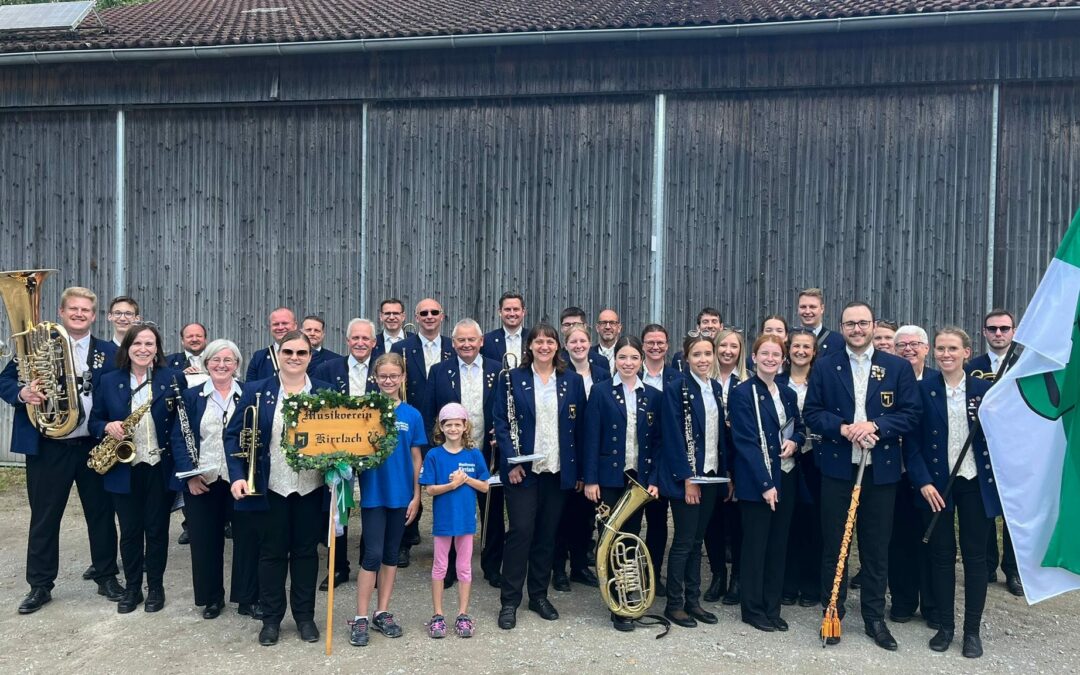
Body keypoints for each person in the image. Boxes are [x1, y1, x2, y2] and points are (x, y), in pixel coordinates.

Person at [804, 301, 921, 651]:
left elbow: (911, 413)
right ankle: (832, 613)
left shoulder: (896, 366)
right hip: (839, 469)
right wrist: (843, 428)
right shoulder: (825, 366)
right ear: (841, 328)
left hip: (880, 472)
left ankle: (874, 618)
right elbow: (812, 412)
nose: (857, 329)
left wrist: (877, 426)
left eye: (863, 323)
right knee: (834, 545)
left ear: (873, 326)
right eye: (850, 324)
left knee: (875, 548)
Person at [0, 286, 122, 614]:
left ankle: (106, 576)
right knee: (45, 517)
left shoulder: (108, 352)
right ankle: (40, 586)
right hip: (49, 445)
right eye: (74, 309)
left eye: (86, 310)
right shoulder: (37, 345)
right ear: (62, 312)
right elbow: (4, 382)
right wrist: (23, 393)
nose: (80, 314)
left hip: (92, 445)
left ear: (94, 316)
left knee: (101, 514)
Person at [225, 330, 331, 646]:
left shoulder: (325, 392)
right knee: (270, 555)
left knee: (305, 554)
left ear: (310, 357)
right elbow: (233, 436)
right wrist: (237, 475)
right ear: (278, 355)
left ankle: (304, 617)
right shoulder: (257, 391)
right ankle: (271, 619)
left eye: (301, 353)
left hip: (310, 488)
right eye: (289, 352)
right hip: (270, 487)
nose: (294, 358)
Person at [904, 328, 998, 658]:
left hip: (974, 481)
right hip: (937, 485)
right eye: (941, 348)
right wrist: (923, 482)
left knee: (974, 558)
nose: (946, 353)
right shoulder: (922, 390)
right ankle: (945, 626)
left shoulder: (986, 390)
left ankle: (971, 632)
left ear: (966, 353)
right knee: (941, 557)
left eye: (953, 348)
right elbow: (912, 444)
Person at [493, 324, 587, 630]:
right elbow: (502, 422)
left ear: (557, 347)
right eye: (539, 342)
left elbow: (580, 425)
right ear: (529, 346)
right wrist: (511, 463)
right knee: (521, 532)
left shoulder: (570, 380)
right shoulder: (512, 379)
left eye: (550, 341)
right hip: (523, 471)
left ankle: (538, 595)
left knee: (547, 535)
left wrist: (579, 471)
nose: (544, 346)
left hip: (557, 471)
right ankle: (509, 601)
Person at [89, 322, 185, 614]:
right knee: (130, 531)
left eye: (149, 344)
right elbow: (94, 421)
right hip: (124, 467)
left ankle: (155, 587)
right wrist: (107, 425)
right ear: (127, 348)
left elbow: (183, 424)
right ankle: (132, 588)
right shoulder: (109, 380)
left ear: (157, 349)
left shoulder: (172, 378)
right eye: (137, 344)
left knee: (156, 530)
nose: (143, 349)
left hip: (159, 466)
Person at [170, 339, 257, 619]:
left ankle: (247, 597)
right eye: (216, 360)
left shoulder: (248, 394)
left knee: (247, 540)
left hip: (240, 481)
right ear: (206, 364)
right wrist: (190, 479)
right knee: (205, 541)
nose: (221, 365)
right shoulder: (192, 396)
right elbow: (179, 439)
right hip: (203, 480)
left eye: (228, 361)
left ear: (237, 365)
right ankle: (211, 598)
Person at [582, 336, 661, 631]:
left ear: (642, 361)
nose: (628, 363)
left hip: (637, 479)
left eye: (634, 358)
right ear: (614, 360)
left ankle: (630, 594)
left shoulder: (653, 395)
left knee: (631, 537)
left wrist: (652, 480)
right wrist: (590, 479)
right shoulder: (601, 392)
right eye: (623, 357)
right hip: (608, 478)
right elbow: (591, 437)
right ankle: (617, 606)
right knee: (610, 538)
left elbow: (657, 444)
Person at [348, 353, 425, 647]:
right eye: (383, 376)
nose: (389, 381)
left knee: (391, 554)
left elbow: (416, 457)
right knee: (372, 554)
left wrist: (417, 496)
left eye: (394, 376)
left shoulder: (412, 415)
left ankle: (382, 611)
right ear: (375, 379)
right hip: (374, 495)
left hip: (402, 495)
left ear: (403, 378)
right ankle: (361, 617)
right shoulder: (365, 411)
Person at [728, 334, 805, 632]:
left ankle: (773, 607)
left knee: (778, 546)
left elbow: (798, 427)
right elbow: (745, 442)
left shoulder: (787, 393)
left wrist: (795, 443)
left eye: (777, 355)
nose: (771, 359)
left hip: (786, 476)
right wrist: (765, 484)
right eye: (765, 354)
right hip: (759, 481)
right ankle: (753, 608)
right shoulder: (742, 393)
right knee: (756, 547)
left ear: (783, 360)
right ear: (755, 357)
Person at [426, 319, 502, 588]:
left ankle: (492, 566)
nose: (467, 344)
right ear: (453, 342)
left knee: (491, 511)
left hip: (487, 452)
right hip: (452, 453)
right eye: (461, 340)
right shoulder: (439, 371)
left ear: (481, 341)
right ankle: (449, 569)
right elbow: (431, 411)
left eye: (472, 339)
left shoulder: (498, 369)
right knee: (452, 510)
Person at [659, 334, 726, 629]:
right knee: (684, 541)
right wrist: (687, 478)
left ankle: (693, 600)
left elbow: (719, 436)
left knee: (697, 540)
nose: (703, 359)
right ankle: (674, 604)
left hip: (711, 475)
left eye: (707, 354)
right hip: (689, 477)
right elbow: (673, 437)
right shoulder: (676, 389)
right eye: (696, 354)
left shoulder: (714, 388)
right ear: (686, 359)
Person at [312, 318, 380, 590]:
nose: (361, 343)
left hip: (374, 451)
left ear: (374, 343)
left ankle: (369, 564)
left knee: (371, 506)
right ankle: (338, 566)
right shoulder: (328, 369)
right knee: (338, 510)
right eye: (356, 338)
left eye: (366, 339)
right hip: (338, 453)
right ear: (347, 341)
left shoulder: (383, 368)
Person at [419, 403, 490, 638]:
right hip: (443, 522)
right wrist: (452, 485)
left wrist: (465, 479)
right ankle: (437, 615)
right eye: (448, 424)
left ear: (465, 426)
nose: (453, 429)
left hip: (465, 523)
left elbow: (485, 486)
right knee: (440, 567)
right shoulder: (434, 455)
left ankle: (462, 614)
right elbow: (429, 490)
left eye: (457, 424)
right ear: (441, 427)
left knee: (464, 568)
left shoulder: (473, 454)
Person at [966, 308, 1023, 597]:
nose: (998, 334)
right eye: (993, 329)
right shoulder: (971, 366)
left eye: (1004, 328)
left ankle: (1013, 569)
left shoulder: (1026, 365)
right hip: (981, 448)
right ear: (984, 332)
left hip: (1016, 448)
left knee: (1013, 510)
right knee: (984, 506)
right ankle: (987, 564)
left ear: (1014, 331)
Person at [391, 298, 452, 565]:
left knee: (444, 482)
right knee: (409, 480)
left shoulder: (453, 346)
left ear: (442, 316)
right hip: (413, 424)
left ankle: (446, 542)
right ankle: (404, 540)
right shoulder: (401, 347)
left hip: (445, 425)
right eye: (424, 313)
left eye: (434, 312)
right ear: (416, 317)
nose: (429, 316)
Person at [886, 324, 937, 626]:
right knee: (898, 539)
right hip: (894, 473)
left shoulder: (935, 381)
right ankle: (902, 600)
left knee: (929, 539)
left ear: (926, 349)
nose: (908, 349)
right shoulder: (887, 379)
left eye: (915, 344)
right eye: (901, 344)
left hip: (928, 476)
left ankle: (932, 605)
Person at [552, 324, 607, 591]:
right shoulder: (560, 373)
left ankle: (579, 566)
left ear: (589, 343)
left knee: (586, 516)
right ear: (566, 344)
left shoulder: (603, 373)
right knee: (563, 515)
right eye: (573, 341)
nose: (578, 345)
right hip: (569, 451)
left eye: (583, 341)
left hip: (593, 451)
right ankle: (558, 569)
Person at [778, 328, 822, 608]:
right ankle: (788, 582)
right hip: (786, 458)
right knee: (789, 522)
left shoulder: (821, 382)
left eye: (807, 347)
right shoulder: (777, 381)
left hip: (815, 459)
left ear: (814, 352)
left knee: (814, 522)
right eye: (796, 346)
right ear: (788, 349)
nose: (801, 351)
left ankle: (811, 584)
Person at [704, 328, 746, 605]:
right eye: (723, 346)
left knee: (738, 522)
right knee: (712, 522)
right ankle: (718, 574)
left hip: (739, 461)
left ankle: (738, 579)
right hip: (711, 460)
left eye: (734, 347)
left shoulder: (747, 382)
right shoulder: (704, 381)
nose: (728, 351)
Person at [639, 323, 682, 592]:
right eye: (650, 342)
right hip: (635, 459)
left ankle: (652, 574)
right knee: (629, 524)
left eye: (660, 342)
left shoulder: (678, 378)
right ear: (643, 346)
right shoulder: (629, 369)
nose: (655, 346)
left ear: (667, 345)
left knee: (657, 522)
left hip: (664, 460)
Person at [246, 307, 297, 381]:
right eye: (276, 324)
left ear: (295, 325)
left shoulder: (309, 355)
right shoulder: (259, 357)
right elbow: (249, 388)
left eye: (285, 323)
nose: (280, 327)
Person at [558, 307, 609, 373]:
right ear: (561, 328)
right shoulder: (556, 360)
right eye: (567, 324)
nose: (572, 328)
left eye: (576, 324)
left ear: (585, 326)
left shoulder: (601, 361)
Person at [796, 288, 845, 357]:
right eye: (803, 307)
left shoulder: (838, 341)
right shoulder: (788, 338)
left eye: (812, 307)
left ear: (822, 309)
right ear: (798, 309)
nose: (807, 311)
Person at [480, 292, 526, 363]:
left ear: (523, 312)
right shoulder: (487, 340)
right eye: (507, 309)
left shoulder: (533, 338)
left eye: (516, 309)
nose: (512, 314)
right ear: (500, 312)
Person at [591, 309, 622, 375]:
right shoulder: (588, 354)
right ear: (597, 328)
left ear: (619, 328)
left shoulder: (625, 353)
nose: (608, 327)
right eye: (603, 323)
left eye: (612, 323)